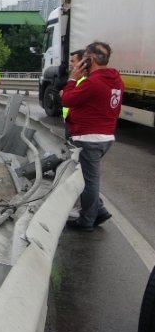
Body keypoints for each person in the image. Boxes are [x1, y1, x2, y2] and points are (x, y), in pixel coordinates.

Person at [62, 41, 124, 232]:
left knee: (89, 182)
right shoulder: (115, 80)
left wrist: (72, 79)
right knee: (88, 178)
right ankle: (100, 211)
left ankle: (86, 221)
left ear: (90, 60)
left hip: (89, 138)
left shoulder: (93, 82)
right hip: (105, 136)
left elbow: (67, 99)